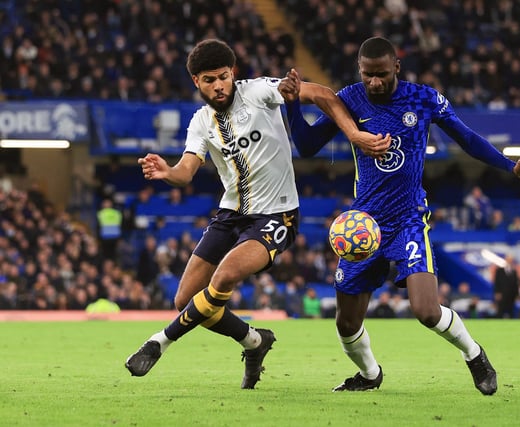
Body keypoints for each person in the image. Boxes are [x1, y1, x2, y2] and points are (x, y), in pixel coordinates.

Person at [278, 36, 520, 395]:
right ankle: (370, 375)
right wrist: (292, 106)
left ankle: (474, 354)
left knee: (426, 310)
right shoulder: (350, 99)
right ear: (360, 70)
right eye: (368, 74)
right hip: (365, 226)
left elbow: (467, 139)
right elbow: (308, 147)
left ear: (396, 68)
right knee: (346, 322)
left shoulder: (424, 98)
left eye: (382, 75)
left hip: (407, 220)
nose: (374, 82)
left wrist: (511, 167)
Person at [124, 38, 387, 389]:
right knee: (185, 299)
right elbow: (186, 171)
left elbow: (323, 93)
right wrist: (166, 171)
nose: (218, 85)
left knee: (225, 275)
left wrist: (354, 134)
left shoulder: (260, 91)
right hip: (230, 215)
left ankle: (161, 341)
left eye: (223, 76)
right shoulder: (201, 122)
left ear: (233, 74)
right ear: (196, 82)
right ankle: (254, 341)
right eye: (208, 80)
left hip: (278, 215)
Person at [494, 254, 520, 318]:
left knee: (511, 312)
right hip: (502, 294)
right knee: (500, 311)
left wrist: (517, 294)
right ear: (506, 260)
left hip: (511, 295)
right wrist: (497, 292)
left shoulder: (514, 271)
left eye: (511, 260)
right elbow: (497, 282)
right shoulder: (499, 271)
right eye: (508, 260)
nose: (509, 261)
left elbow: (516, 284)